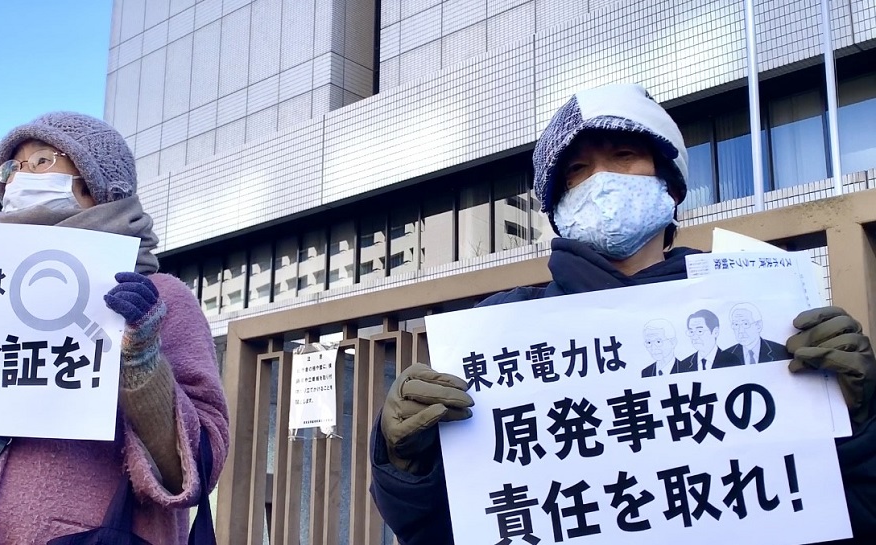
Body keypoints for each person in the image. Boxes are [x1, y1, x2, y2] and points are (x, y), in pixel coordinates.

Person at [369, 83, 876, 544]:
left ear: (671, 184)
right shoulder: (498, 332)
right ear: (557, 206)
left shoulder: (762, 310)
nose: (601, 180)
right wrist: (404, 462)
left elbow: (848, 512)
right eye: (577, 169)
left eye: (624, 155)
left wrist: (860, 417)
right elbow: (439, 531)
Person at [0, 112, 230, 544]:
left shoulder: (160, 297)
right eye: (11, 168)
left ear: (95, 184)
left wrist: (141, 362)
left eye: (41, 161)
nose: (19, 177)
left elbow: (198, 462)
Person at [725, 302, 791, 364]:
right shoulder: (725, 355)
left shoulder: (780, 352)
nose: (740, 331)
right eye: (736, 325)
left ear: (758, 326)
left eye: (745, 324)